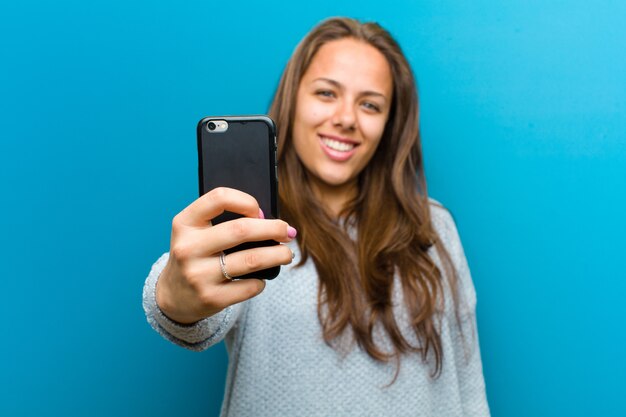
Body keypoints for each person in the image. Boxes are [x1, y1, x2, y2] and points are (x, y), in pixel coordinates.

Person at [143, 17, 490, 417]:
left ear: (389, 124)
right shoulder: (252, 222)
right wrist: (172, 296)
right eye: (327, 93)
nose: (346, 118)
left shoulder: (435, 227)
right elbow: (194, 313)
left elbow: (468, 388)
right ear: (294, 100)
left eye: (370, 104)